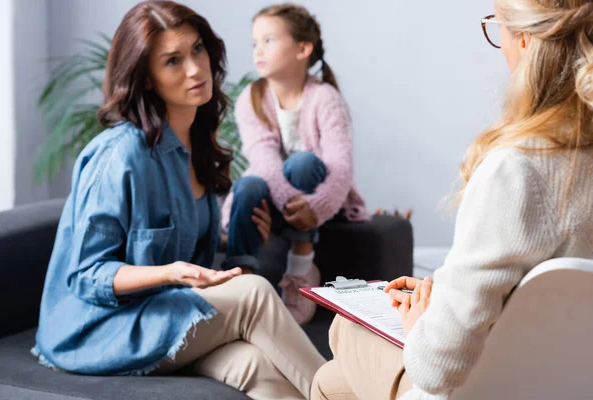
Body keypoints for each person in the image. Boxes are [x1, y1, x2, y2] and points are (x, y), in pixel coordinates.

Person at [31, 2, 325, 399]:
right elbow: (87, 275)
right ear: (147, 78)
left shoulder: (196, 146)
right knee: (253, 294)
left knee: (253, 365)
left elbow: (171, 240)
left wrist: (225, 238)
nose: (193, 69)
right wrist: (172, 272)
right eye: (172, 61)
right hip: (99, 329)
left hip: (166, 313)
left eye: (197, 50)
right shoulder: (119, 155)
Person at [312, 0, 593, 398]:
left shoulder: (519, 169)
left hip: (484, 389)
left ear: (527, 39)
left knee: (347, 326)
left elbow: (437, 369)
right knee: (329, 383)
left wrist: (418, 324)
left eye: (497, 24)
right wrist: (444, 293)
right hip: (572, 384)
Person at [221, 3, 369, 325]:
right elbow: (262, 158)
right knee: (247, 185)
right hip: (279, 198)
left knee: (302, 163)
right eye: (255, 43)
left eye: (269, 41)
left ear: (302, 49)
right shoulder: (252, 97)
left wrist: (314, 208)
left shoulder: (325, 98)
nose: (258, 50)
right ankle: (240, 277)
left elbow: (340, 166)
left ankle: (301, 267)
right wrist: (288, 201)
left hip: (313, 202)